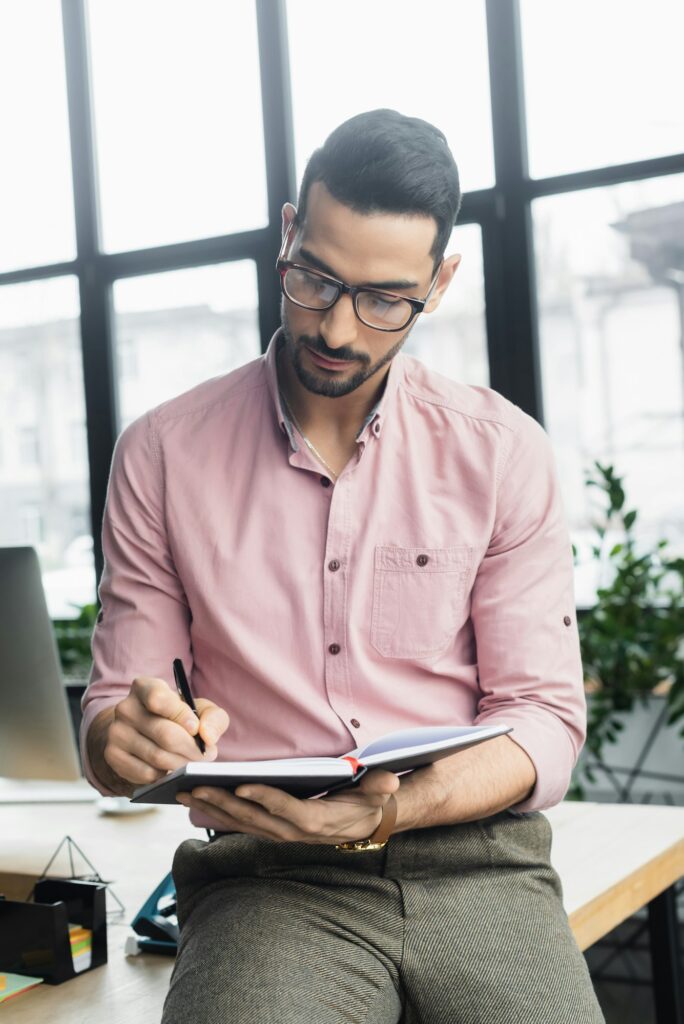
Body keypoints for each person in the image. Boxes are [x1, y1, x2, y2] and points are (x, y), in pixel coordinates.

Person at [80, 109, 605, 1023]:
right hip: (265, 876)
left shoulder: (503, 451)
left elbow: (545, 717)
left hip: (476, 858)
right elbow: (116, 716)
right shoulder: (161, 454)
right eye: (314, 279)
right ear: (288, 232)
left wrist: (393, 813)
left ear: (439, 284)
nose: (338, 327)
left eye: (384, 299)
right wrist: (120, 742)